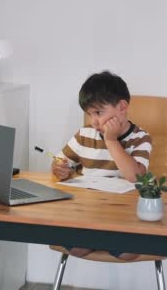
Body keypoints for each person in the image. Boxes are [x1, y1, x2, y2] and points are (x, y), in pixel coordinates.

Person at [52, 70, 152, 261]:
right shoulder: (84, 135)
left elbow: (136, 177)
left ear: (122, 107)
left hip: (123, 217)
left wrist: (112, 141)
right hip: (88, 213)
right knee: (77, 248)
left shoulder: (141, 138)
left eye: (99, 112)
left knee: (128, 252)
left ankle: (104, 238)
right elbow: (59, 162)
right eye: (89, 114)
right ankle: (96, 237)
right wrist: (59, 169)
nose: (94, 121)